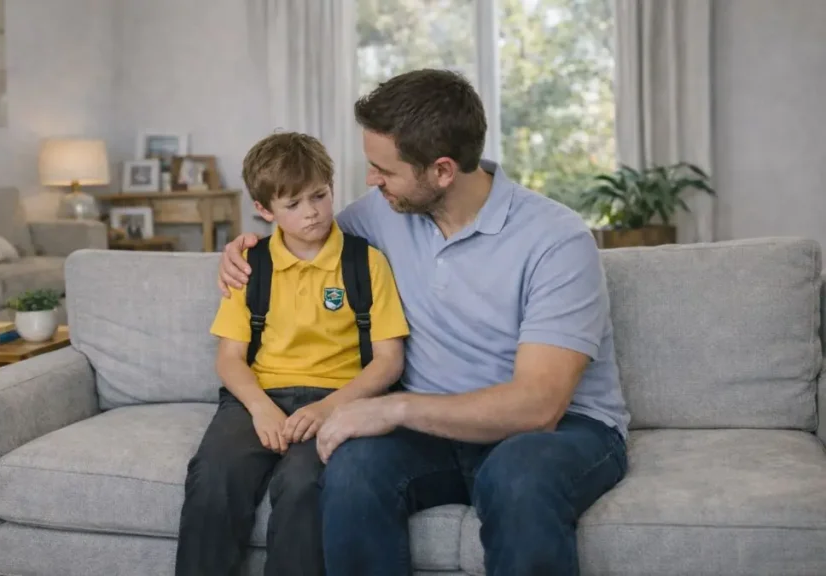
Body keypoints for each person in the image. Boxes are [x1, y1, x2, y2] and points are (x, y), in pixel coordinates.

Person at [217, 69, 631, 576]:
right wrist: (244, 253)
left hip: (561, 431)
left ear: (442, 171)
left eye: (383, 170)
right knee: (352, 468)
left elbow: (539, 406)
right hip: (429, 433)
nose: (371, 181)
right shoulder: (382, 213)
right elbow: (301, 238)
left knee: (518, 476)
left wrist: (393, 408)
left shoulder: (556, 239)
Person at [175, 131, 410, 576]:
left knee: (303, 486)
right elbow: (229, 358)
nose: (312, 212)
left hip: (338, 399)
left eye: (319, 195)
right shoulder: (250, 265)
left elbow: (389, 361)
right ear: (264, 211)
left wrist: (328, 407)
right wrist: (260, 408)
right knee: (214, 476)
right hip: (259, 396)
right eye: (294, 204)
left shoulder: (366, 263)